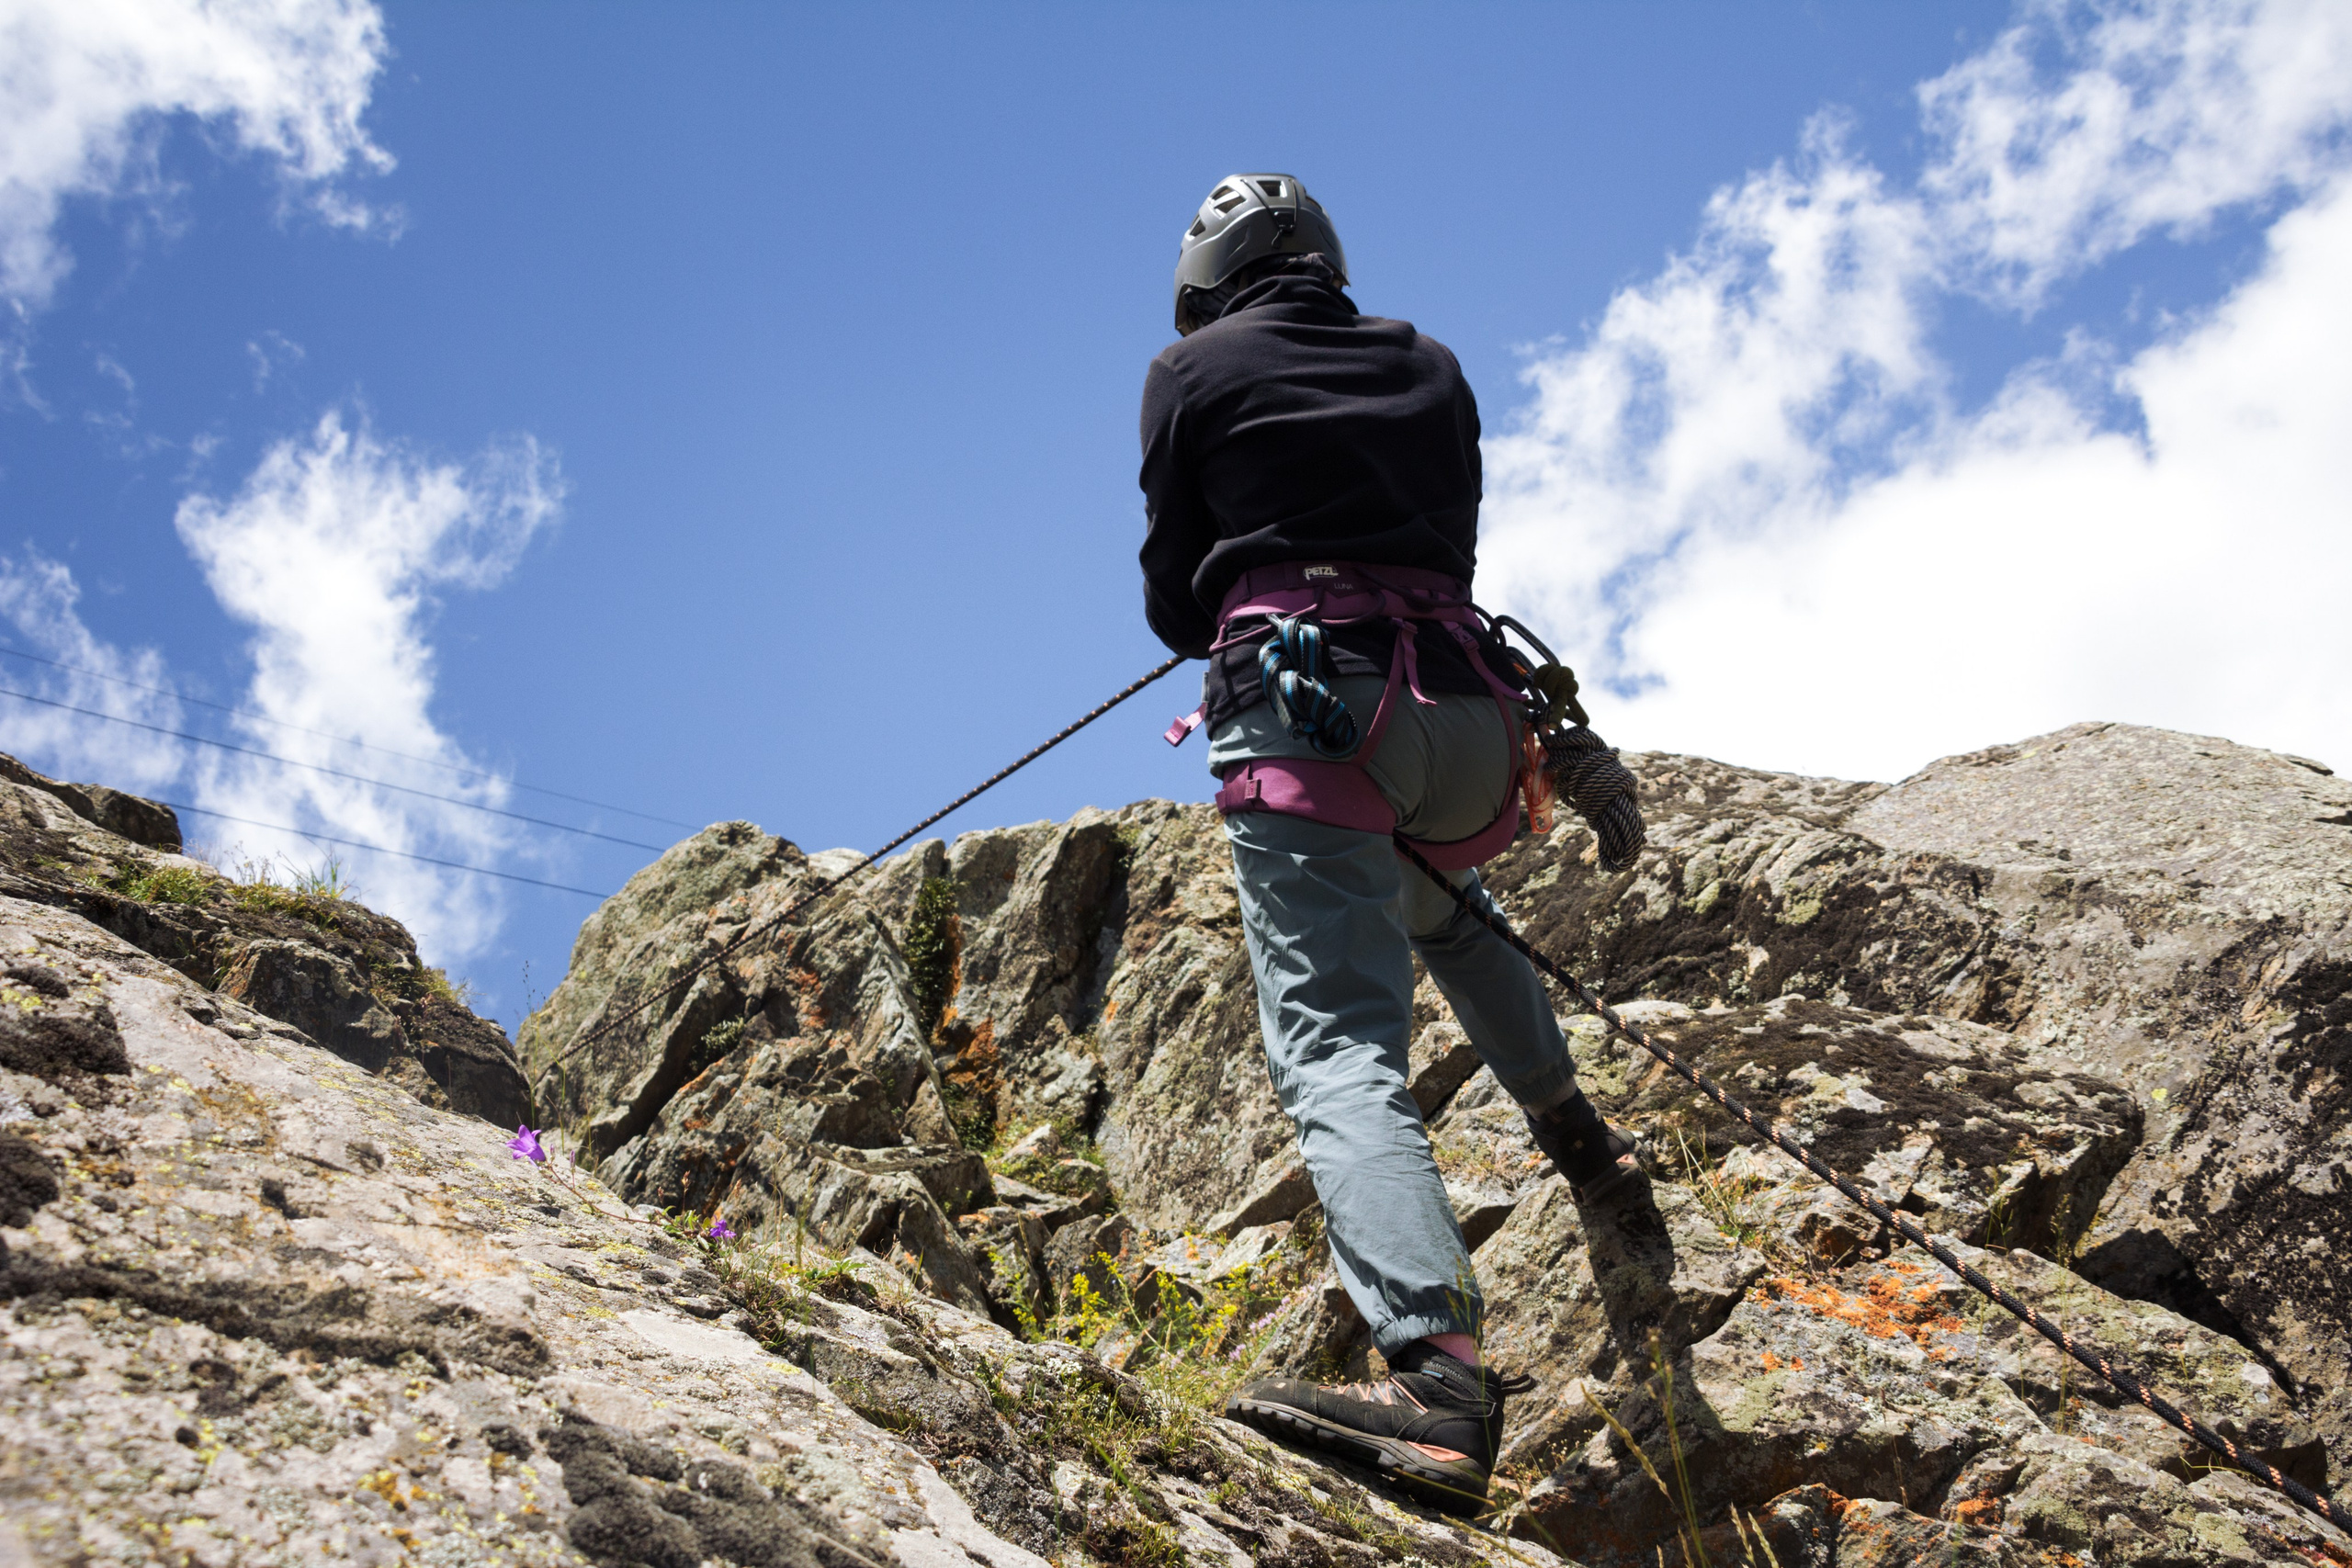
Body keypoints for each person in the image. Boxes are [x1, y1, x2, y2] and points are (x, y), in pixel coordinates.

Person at [1138, 173, 1647, 1514]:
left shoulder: (1189, 371)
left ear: (1210, 280)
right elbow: (1453, 546)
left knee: (1336, 1045)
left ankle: (1435, 1385)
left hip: (1311, 711)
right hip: (1462, 711)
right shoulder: (1430, 363)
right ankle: (1577, 1133)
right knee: (1446, 906)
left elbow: (1169, 597)